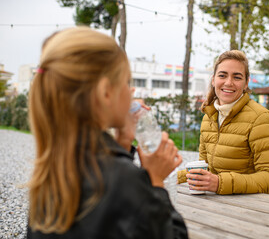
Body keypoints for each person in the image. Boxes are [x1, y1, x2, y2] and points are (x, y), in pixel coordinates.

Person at [27, 27, 188, 238]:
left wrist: (122, 141)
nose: (131, 92)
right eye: (126, 82)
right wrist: (155, 182)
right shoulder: (125, 180)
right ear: (105, 93)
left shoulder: (52, 170)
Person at [178, 50, 269, 195]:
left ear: (246, 82)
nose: (229, 82)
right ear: (213, 79)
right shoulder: (208, 117)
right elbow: (205, 169)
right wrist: (171, 177)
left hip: (251, 209)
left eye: (237, 77)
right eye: (222, 75)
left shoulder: (261, 119)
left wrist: (220, 183)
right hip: (218, 206)